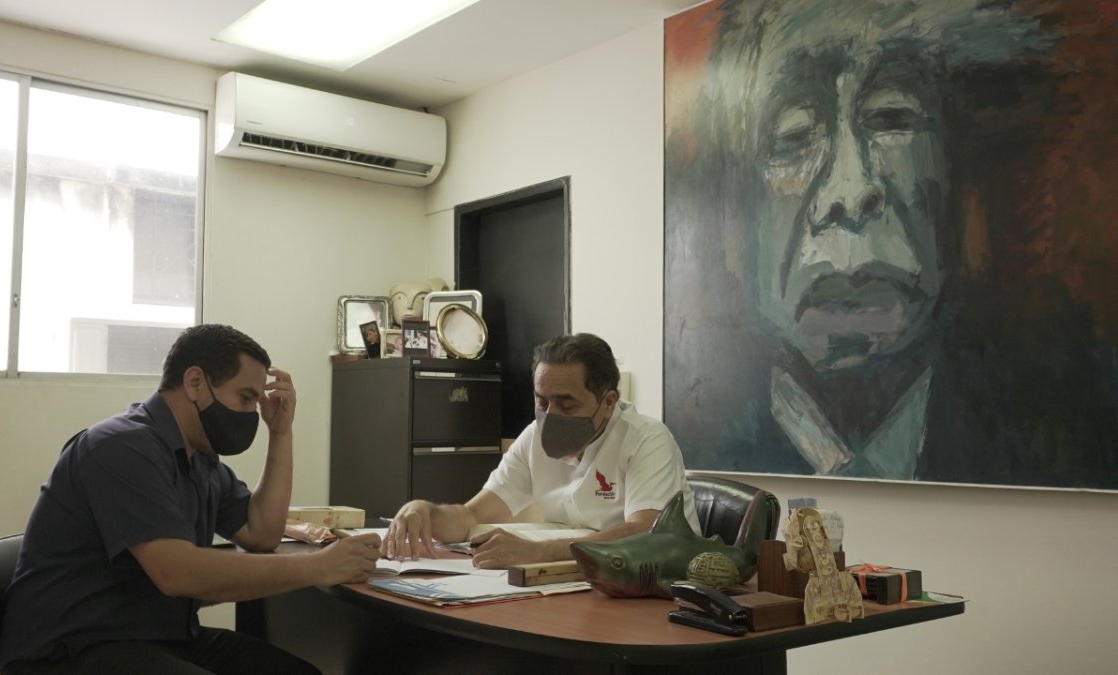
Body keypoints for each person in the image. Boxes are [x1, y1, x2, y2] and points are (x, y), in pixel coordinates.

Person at [663, 0, 1118, 488]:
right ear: (733, 224)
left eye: (893, 119)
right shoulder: (699, 456)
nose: (850, 193)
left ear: (958, 185)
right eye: (793, 137)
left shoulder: (1063, 430)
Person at [0, 324, 381, 674]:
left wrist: (280, 433)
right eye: (246, 398)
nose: (252, 412)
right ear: (195, 383)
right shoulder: (121, 446)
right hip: (72, 652)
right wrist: (320, 567)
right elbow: (178, 572)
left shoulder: (200, 460)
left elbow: (262, 533)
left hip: (159, 639)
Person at [384, 333, 700, 568]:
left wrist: (538, 552)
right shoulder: (532, 438)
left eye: (566, 403)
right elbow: (470, 516)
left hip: (649, 593)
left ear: (608, 402)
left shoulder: (646, 439)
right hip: (578, 584)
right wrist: (425, 512)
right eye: (542, 401)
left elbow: (646, 533)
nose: (550, 415)